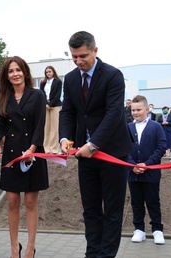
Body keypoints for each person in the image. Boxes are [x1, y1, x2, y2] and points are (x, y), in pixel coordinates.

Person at [59, 31, 132, 258]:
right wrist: (64, 138)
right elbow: (68, 112)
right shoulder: (70, 79)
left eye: (83, 56)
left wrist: (93, 145)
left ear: (95, 50)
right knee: (90, 209)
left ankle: (106, 255)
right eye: (74, 57)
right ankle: (92, 253)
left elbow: (113, 114)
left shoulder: (112, 76)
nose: (79, 61)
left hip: (112, 153)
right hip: (84, 155)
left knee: (112, 210)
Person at [0, 56, 48, 258]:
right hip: (12, 155)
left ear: (25, 72)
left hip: (32, 153)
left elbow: (41, 124)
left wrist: (32, 148)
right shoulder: (4, 97)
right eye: (10, 71)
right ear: (7, 76)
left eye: (18, 70)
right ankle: (15, 248)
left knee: (31, 202)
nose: (15, 74)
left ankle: (30, 248)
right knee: (12, 202)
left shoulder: (38, 95)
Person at [127, 95, 167, 245]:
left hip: (151, 173)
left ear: (147, 109)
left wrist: (147, 164)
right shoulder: (128, 127)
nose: (135, 113)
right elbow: (125, 149)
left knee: (153, 201)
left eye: (138, 109)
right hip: (133, 173)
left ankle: (157, 230)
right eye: (133, 110)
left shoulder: (156, 127)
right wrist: (133, 165)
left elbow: (161, 147)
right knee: (136, 202)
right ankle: (139, 229)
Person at [39, 65, 62, 154]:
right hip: (45, 106)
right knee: (46, 127)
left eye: (50, 71)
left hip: (55, 106)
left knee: (54, 128)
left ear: (53, 72)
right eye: (47, 72)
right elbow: (41, 94)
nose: (48, 73)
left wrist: (51, 104)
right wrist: (46, 104)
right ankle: (46, 148)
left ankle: (53, 148)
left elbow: (58, 94)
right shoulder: (43, 82)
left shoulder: (58, 82)